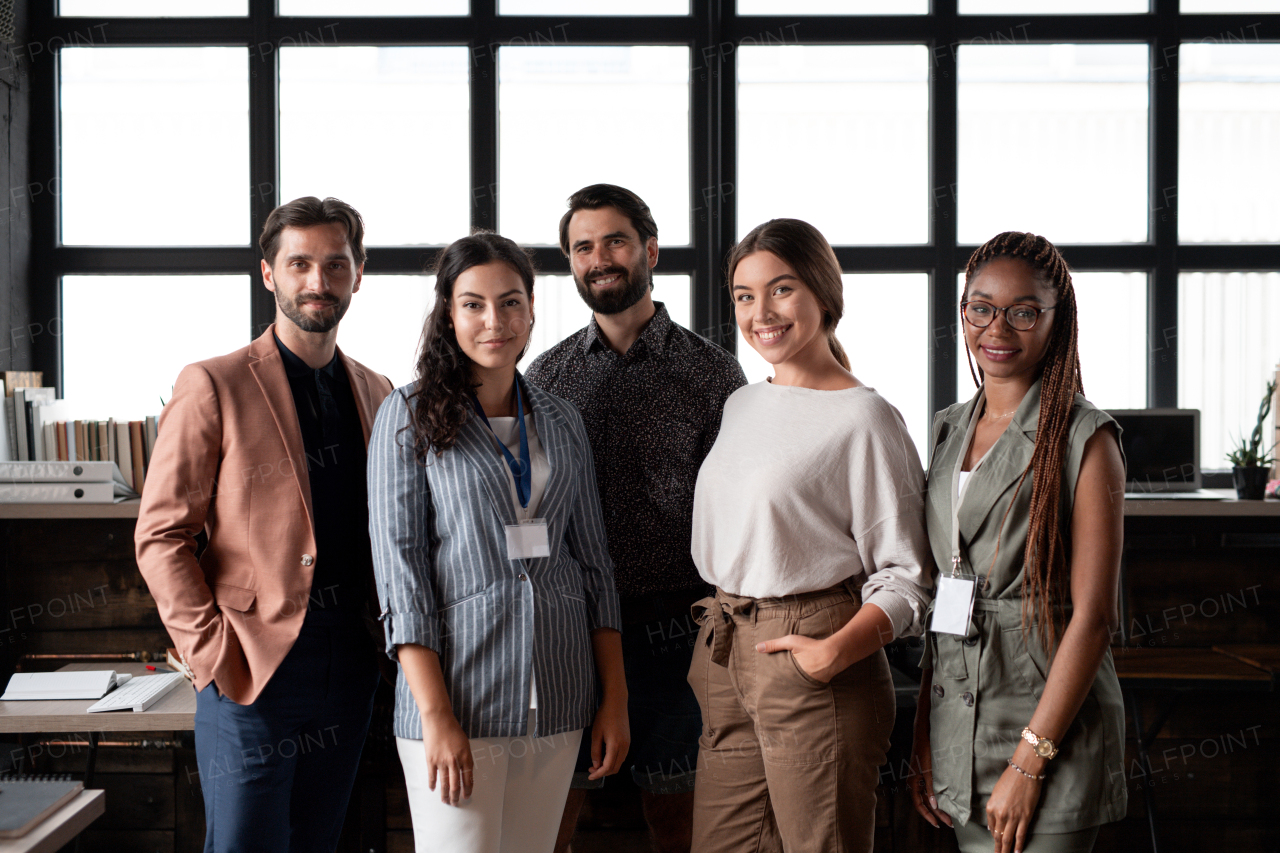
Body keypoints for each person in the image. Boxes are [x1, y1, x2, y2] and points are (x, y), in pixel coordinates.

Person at [135, 196, 393, 853]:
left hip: (352, 665)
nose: (318, 280)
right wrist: (210, 654)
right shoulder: (212, 383)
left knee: (319, 841)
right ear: (269, 274)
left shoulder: (379, 390)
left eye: (335, 264)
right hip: (251, 666)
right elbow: (161, 534)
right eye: (299, 263)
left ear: (358, 273)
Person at [366, 232, 628, 853]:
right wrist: (437, 717)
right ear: (448, 314)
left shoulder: (563, 418)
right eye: (474, 304)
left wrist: (612, 700)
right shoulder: (407, 415)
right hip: (461, 702)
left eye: (511, 302)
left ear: (533, 308)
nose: (495, 321)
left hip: (561, 697)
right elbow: (401, 578)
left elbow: (594, 566)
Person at [689, 218, 932, 853]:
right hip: (725, 644)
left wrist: (836, 651)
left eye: (781, 289)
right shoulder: (742, 403)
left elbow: (908, 575)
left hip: (814, 648)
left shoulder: (865, 417)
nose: (760, 312)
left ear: (823, 294)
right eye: (744, 295)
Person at [525, 184, 746, 853]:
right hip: (570, 627)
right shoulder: (545, 376)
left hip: (676, 631)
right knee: (548, 817)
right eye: (583, 246)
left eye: (615, 240)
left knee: (679, 819)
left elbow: (735, 511)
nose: (601, 257)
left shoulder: (712, 374)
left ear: (649, 249)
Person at [910, 231, 1128, 853]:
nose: (997, 328)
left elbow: (1093, 618)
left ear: (1056, 321)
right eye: (981, 308)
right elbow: (945, 588)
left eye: (1023, 311)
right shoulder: (949, 427)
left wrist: (1029, 762)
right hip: (960, 716)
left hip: (1045, 723)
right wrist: (927, 726)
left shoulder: (1087, 437)